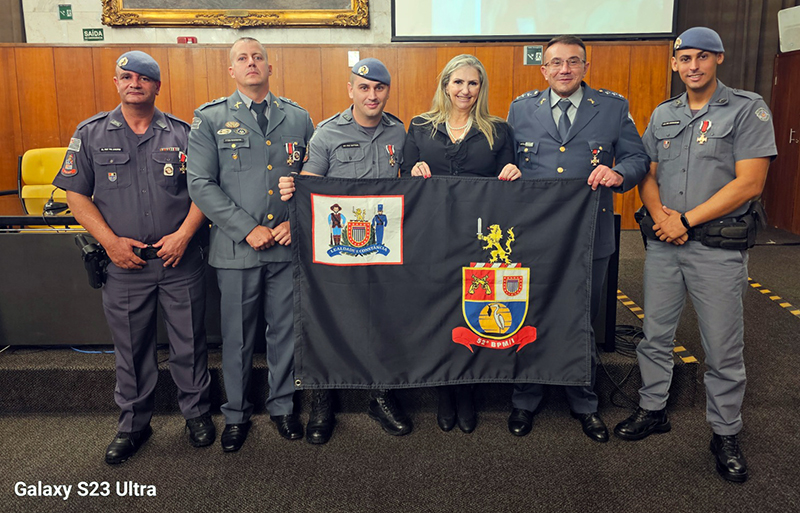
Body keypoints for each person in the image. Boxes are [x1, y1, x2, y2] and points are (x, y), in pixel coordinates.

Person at [614, 27, 776, 483]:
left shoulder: (747, 109)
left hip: (717, 249)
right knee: (654, 335)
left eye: (703, 57)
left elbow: (749, 183)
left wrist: (684, 221)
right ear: (674, 64)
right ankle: (652, 409)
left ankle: (725, 432)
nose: (694, 66)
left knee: (723, 347)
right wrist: (662, 217)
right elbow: (646, 170)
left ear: (719, 59)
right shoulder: (664, 114)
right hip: (666, 246)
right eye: (685, 59)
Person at [53, 51, 213, 464]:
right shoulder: (89, 134)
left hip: (180, 259)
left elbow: (205, 190)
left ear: (158, 86)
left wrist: (183, 235)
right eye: (126, 76)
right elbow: (75, 193)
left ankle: (196, 414)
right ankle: (133, 425)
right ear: (116, 82)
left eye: (144, 78)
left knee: (190, 343)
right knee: (130, 347)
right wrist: (110, 242)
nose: (134, 83)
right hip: (125, 264)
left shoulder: (184, 134)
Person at [506, 35, 648, 442]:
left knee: (581, 319)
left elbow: (638, 158)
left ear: (586, 66)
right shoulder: (521, 109)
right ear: (543, 69)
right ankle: (525, 398)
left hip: (590, 235)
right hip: (533, 237)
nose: (564, 69)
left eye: (572, 61)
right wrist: (510, 171)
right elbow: (506, 162)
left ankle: (584, 400)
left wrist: (618, 175)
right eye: (555, 63)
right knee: (528, 317)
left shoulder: (612, 107)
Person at [187, 37, 314, 452]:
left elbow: (313, 179)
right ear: (232, 70)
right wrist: (246, 228)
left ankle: (282, 408)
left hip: (285, 244)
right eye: (242, 58)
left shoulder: (298, 117)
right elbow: (201, 184)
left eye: (258, 57)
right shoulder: (209, 119)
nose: (251, 63)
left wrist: (297, 223)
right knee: (237, 336)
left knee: (284, 332)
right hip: (237, 247)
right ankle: (236, 414)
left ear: (270, 67)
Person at [278, 58, 413, 444]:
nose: (372, 95)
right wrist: (294, 189)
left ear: (387, 91)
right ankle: (323, 401)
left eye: (380, 88)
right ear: (350, 89)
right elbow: (308, 186)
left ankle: (380, 396)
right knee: (325, 321)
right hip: (335, 251)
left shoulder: (399, 133)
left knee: (384, 323)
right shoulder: (326, 134)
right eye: (364, 87)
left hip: (385, 249)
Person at [400, 54, 521, 434]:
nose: (464, 90)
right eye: (458, 83)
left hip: (479, 239)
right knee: (438, 312)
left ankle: (468, 390)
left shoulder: (498, 130)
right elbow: (403, 176)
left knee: (475, 311)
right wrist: (412, 171)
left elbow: (512, 183)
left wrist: (513, 172)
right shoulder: (420, 127)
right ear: (445, 85)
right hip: (431, 237)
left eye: (473, 83)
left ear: (481, 88)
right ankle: (444, 391)